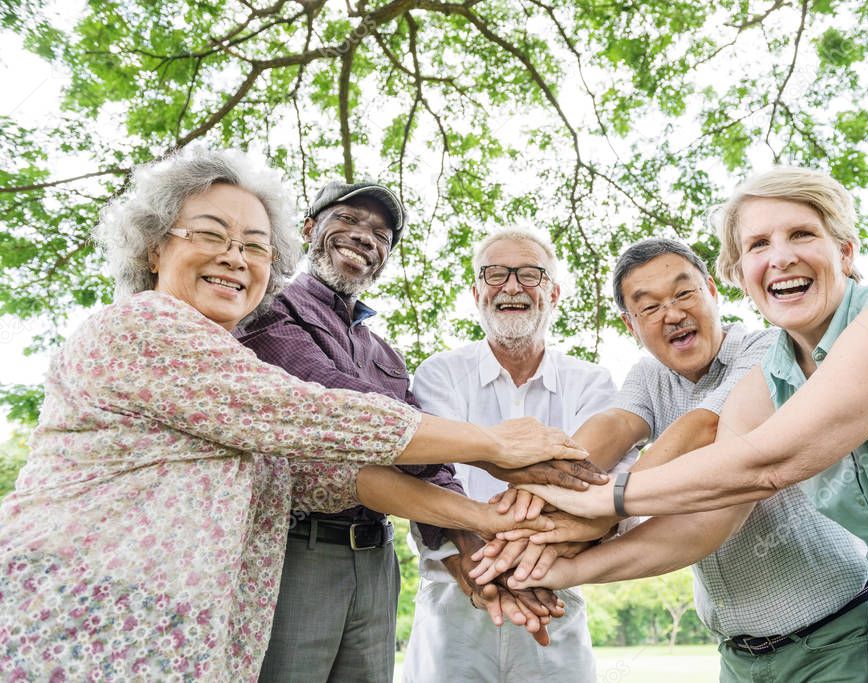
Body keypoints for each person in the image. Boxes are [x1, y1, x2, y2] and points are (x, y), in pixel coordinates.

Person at [0, 148, 585, 681]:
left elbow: (327, 474)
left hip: (187, 624)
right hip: (82, 613)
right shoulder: (148, 325)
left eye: (253, 246)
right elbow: (312, 412)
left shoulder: (370, 353)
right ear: (156, 246)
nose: (234, 258)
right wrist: (492, 445)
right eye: (210, 235)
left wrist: (482, 528)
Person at [521, 167, 868, 682]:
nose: (780, 257)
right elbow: (708, 511)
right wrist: (555, 565)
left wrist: (604, 499)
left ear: (845, 252)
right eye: (758, 244)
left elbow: (765, 462)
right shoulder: (775, 373)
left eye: (801, 234)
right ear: (741, 272)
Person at [489, 237, 868, 682]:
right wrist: (534, 514)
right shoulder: (649, 377)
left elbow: (705, 428)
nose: (671, 314)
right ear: (630, 324)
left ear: (712, 290)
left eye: (683, 293)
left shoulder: (771, 348)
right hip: (739, 656)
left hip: (833, 638)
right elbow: (613, 426)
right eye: (648, 307)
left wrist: (599, 515)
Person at [237, 181, 558, 682]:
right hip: (300, 549)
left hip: (378, 557)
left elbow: (426, 459)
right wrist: (490, 449)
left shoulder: (385, 355)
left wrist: (469, 546)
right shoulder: (271, 308)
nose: (364, 237)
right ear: (308, 229)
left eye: (380, 233)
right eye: (346, 221)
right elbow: (340, 407)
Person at [402, 229, 628, 682]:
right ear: (476, 292)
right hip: (453, 598)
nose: (511, 286)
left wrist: (518, 562)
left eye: (529, 274)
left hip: (554, 597)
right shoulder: (440, 374)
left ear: (554, 293)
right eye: (495, 274)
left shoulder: (590, 383)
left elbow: (602, 482)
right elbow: (428, 471)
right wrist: (474, 562)